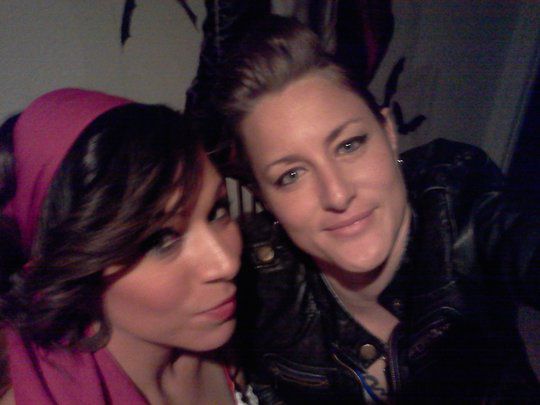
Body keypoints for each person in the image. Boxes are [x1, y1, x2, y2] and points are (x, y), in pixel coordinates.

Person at [215, 15, 540, 403]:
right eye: (292, 175)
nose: (337, 195)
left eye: (349, 145)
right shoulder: (260, 285)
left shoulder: (458, 196)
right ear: (264, 198)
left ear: (388, 132)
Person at [0, 88, 259, 404]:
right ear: (72, 266)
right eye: (161, 240)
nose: (226, 264)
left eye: (217, 211)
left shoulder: (245, 336)